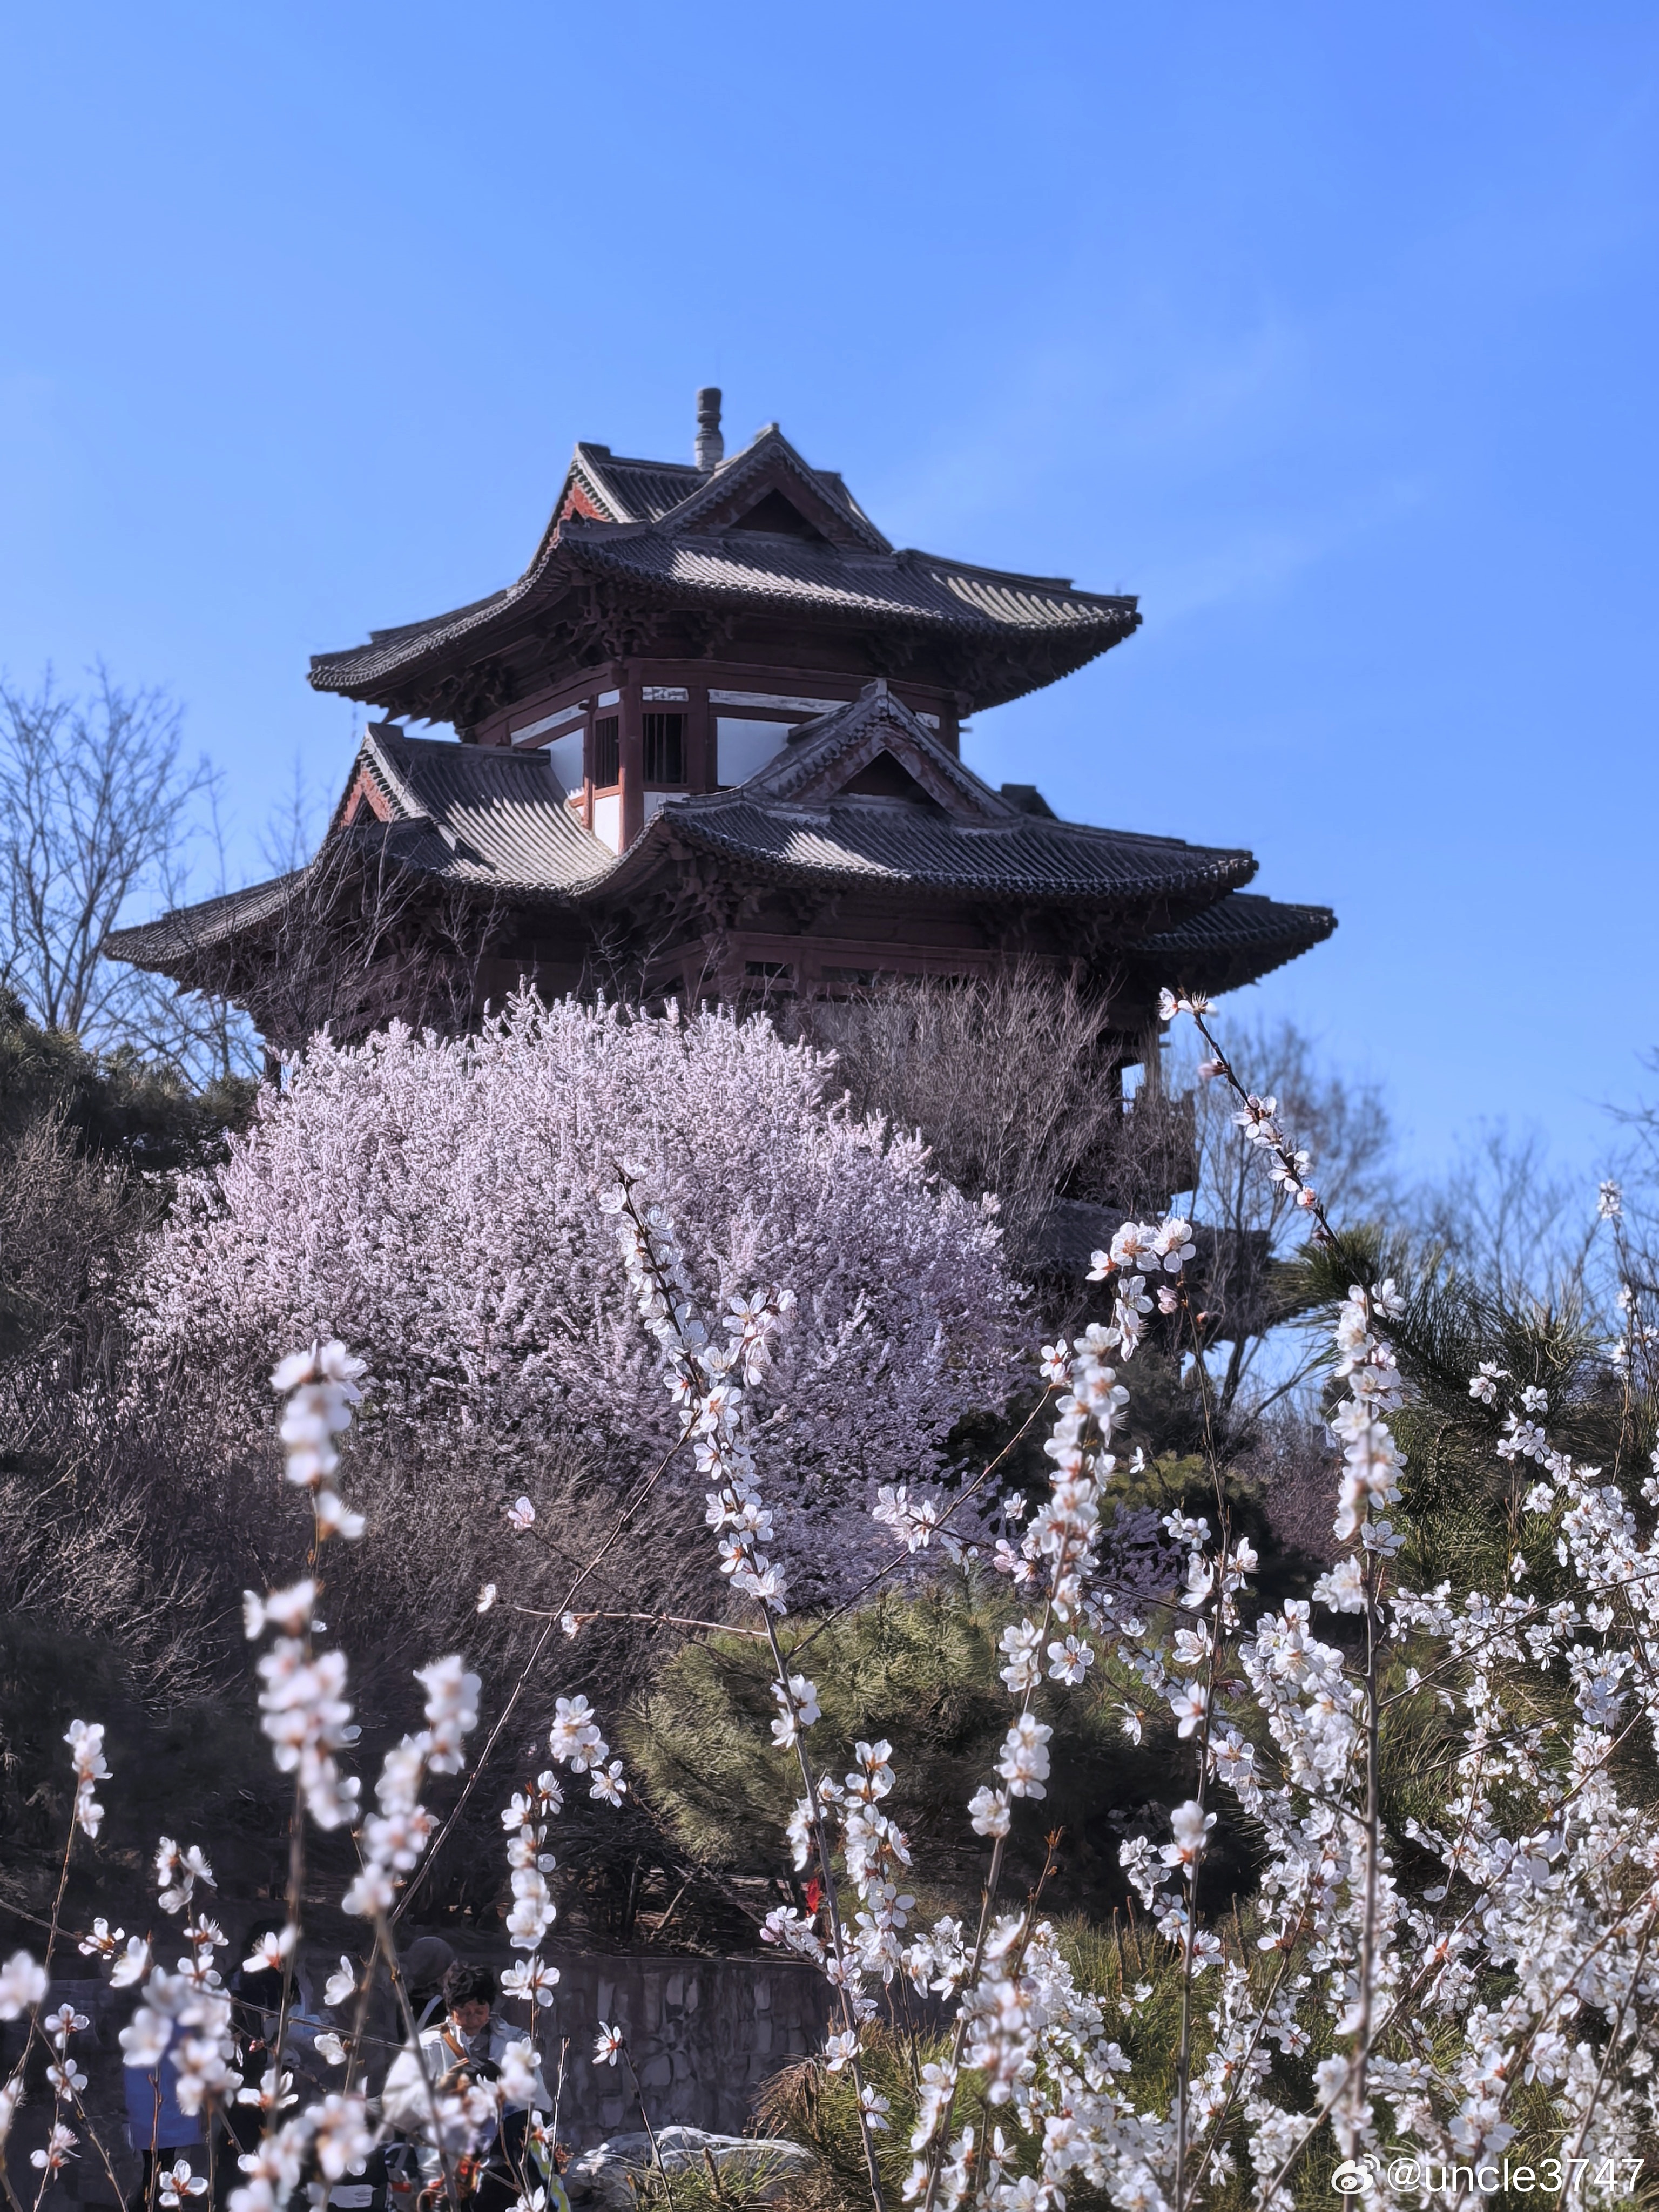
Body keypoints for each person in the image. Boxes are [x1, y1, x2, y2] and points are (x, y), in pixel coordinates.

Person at [380, 1963, 554, 2212]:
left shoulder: (515, 2042)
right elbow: (394, 2104)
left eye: (479, 2011)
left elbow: (540, 2105)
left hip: (503, 2155)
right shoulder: (429, 2047)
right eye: (464, 2012)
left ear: (490, 2009)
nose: (472, 2020)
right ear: (451, 2010)